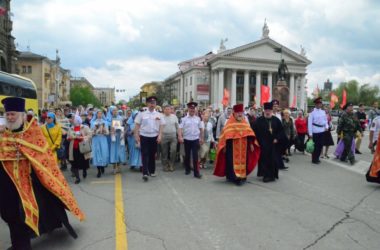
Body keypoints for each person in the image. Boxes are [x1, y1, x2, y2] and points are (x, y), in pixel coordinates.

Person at [0, 97, 84, 250]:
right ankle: (17, 243)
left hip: (27, 184)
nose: (10, 117)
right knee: (8, 215)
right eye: (8, 115)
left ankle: (22, 246)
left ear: (21, 115)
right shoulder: (3, 134)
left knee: (22, 215)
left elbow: (43, 155)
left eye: (13, 114)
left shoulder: (32, 133)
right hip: (7, 184)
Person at [214, 104, 260, 185]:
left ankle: (242, 176)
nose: (239, 114)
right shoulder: (229, 122)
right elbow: (225, 135)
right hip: (232, 147)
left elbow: (249, 134)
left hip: (244, 147)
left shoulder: (244, 122)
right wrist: (224, 146)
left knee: (244, 161)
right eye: (238, 112)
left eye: (241, 112)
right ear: (234, 113)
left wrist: (251, 144)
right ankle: (234, 177)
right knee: (231, 162)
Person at [253, 102, 287, 182]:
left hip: (273, 145)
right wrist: (256, 141)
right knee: (264, 160)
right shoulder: (258, 121)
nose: (268, 112)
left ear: (271, 111)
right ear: (264, 111)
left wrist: (277, 138)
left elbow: (281, 131)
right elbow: (254, 132)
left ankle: (272, 175)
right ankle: (266, 175)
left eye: (269, 110)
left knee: (273, 160)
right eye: (266, 110)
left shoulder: (276, 120)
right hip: (263, 144)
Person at [134, 96, 165, 182]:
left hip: (154, 136)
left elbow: (162, 125)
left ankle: (152, 171)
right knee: (144, 154)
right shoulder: (142, 114)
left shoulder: (159, 114)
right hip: (144, 136)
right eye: (151, 103)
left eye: (154, 103)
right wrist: (136, 135)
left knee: (152, 154)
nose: (152, 105)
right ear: (147, 104)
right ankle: (145, 173)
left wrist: (160, 135)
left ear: (155, 104)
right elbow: (137, 124)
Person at [178, 102, 204, 179]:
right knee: (187, 155)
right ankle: (187, 169)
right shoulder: (183, 119)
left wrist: (201, 138)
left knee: (195, 156)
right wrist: (180, 136)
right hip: (187, 139)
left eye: (193, 108)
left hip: (195, 139)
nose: (192, 110)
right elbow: (180, 128)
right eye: (191, 108)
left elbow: (201, 129)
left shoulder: (198, 119)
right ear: (188, 109)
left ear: (195, 109)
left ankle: (196, 172)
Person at [67, 114, 92, 184]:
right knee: (74, 163)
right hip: (74, 148)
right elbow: (68, 137)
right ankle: (77, 178)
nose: (72, 120)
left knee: (84, 161)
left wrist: (82, 138)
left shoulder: (85, 127)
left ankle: (84, 170)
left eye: (73, 119)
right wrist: (70, 138)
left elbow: (90, 135)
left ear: (77, 120)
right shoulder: (71, 128)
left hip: (82, 147)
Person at [308, 97, 328, 164]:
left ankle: (317, 157)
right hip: (315, 131)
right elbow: (309, 124)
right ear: (316, 104)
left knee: (320, 145)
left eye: (320, 103)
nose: (320, 105)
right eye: (318, 103)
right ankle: (314, 159)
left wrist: (327, 126)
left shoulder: (323, 112)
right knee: (315, 146)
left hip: (322, 130)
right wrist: (310, 134)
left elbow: (325, 120)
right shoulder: (312, 113)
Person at [107, 106, 127, 174]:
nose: (115, 112)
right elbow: (107, 128)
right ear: (111, 111)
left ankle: (119, 167)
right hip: (112, 137)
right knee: (113, 151)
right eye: (113, 110)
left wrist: (122, 130)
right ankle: (114, 168)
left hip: (119, 136)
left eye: (116, 110)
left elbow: (124, 126)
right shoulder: (109, 119)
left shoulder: (120, 118)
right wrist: (110, 129)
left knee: (119, 151)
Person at [91, 110, 110, 178]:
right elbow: (91, 132)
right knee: (97, 154)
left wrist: (104, 131)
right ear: (96, 115)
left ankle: (102, 166)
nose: (99, 115)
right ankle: (98, 170)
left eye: (101, 113)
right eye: (98, 113)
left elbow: (107, 133)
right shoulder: (93, 122)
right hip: (96, 139)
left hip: (103, 139)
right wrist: (95, 131)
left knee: (103, 153)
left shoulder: (105, 122)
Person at [161, 105, 179, 172]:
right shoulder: (161, 117)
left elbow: (177, 127)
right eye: (166, 109)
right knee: (164, 152)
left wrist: (179, 135)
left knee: (173, 151)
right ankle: (165, 165)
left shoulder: (174, 117)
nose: (167, 110)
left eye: (169, 109)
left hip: (173, 136)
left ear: (170, 110)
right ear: (163, 110)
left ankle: (171, 164)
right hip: (164, 136)